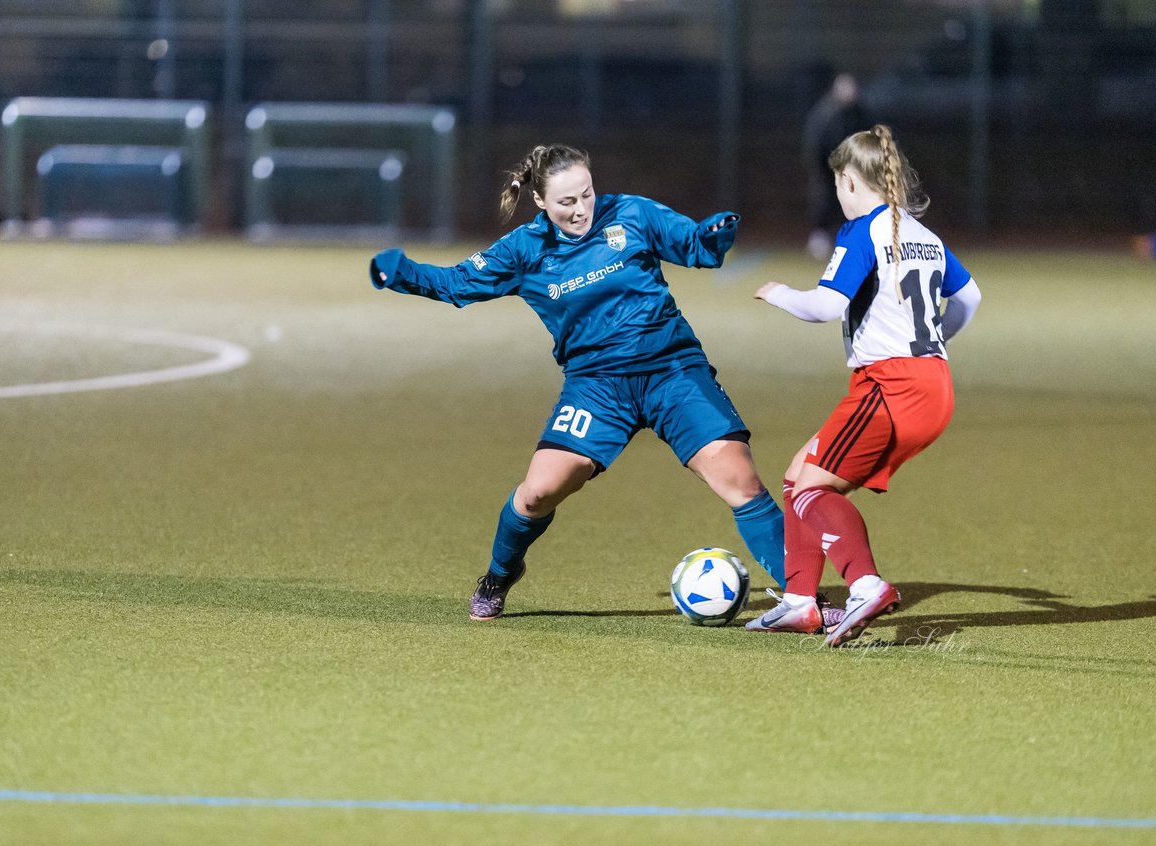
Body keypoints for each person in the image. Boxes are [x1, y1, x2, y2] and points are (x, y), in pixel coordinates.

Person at [370, 144, 790, 621]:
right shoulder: (525, 249)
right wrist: (401, 273)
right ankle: (499, 575)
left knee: (741, 481)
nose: (581, 209)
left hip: (672, 370)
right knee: (538, 492)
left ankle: (802, 596)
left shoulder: (632, 213)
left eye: (586, 194)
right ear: (540, 202)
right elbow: (456, 284)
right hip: (596, 386)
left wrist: (714, 234)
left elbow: (695, 248)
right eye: (566, 202)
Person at [747, 125, 982, 647]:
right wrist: (932, 343)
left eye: (837, 183)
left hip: (890, 387)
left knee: (812, 489)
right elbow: (970, 298)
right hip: (932, 386)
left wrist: (779, 292)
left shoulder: (863, 231)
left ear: (849, 181)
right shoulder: (923, 234)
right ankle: (800, 601)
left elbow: (825, 306)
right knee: (798, 474)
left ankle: (865, 585)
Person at [802, 72, 871, 260]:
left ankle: (854, 245)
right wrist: (822, 168)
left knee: (855, 207)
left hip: (854, 170)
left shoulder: (860, 114)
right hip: (828, 170)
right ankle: (819, 241)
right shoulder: (824, 113)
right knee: (824, 204)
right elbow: (816, 143)